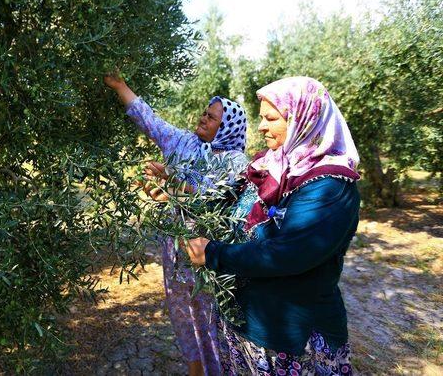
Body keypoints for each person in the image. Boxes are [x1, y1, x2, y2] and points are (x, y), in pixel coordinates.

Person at [185, 76, 360, 375]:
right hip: (244, 321)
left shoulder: (331, 185)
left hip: (290, 338)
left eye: (271, 118)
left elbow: (290, 253)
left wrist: (214, 254)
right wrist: (176, 197)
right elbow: (225, 206)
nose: (262, 126)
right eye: (261, 118)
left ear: (303, 118)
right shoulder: (267, 165)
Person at [104, 73, 249, 376]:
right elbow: (149, 120)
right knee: (184, 321)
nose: (204, 118)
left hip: (209, 258)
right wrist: (120, 86)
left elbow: (216, 200)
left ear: (227, 127)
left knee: (212, 324)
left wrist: (172, 181)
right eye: (205, 113)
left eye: (212, 117)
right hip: (175, 254)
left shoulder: (236, 162)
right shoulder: (184, 142)